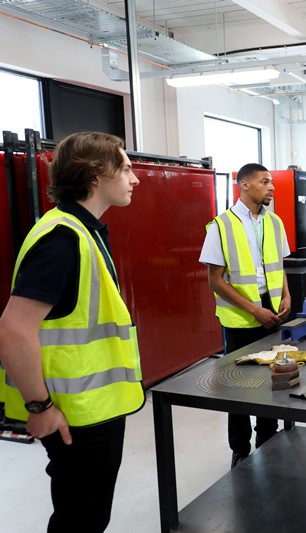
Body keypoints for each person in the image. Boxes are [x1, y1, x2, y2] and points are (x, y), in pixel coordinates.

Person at [0, 132, 145, 532]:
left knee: (87, 516)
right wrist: (39, 408)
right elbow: (13, 330)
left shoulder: (84, 231)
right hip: (73, 417)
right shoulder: (62, 239)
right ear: (96, 174)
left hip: (91, 410)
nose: (135, 179)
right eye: (127, 168)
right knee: (80, 520)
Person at [199, 163, 291, 469]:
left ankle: (268, 437)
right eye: (265, 182)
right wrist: (253, 309)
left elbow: (278, 265)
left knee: (271, 380)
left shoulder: (275, 223)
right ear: (245, 185)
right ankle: (240, 449)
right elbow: (215, 279)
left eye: (271, 182)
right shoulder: (221, 225)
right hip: (241, 318)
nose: (271, 187)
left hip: (273, 312)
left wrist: (287, 295)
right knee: (238, 387)